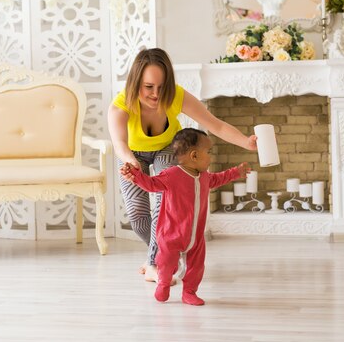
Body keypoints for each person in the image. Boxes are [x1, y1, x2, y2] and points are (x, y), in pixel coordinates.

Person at [107, 48, 257, 282]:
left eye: (161, 86)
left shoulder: (176, 96)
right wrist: (131, 161)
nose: (156, 94)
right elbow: (119, 144)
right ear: (136, 82)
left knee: (161, 208)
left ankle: (156, 265)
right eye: (148, 87)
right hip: (131, 154)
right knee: (137, 218)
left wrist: (246, 142)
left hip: (168, 149)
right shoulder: (120, 105)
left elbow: (215, 125)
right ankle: (164, 254)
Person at [120, 128, 250, 305]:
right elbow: (151, 184)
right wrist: (134, 175)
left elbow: (218, 178)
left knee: (196, 267)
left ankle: (189, 292)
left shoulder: (204, 177)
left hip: (196, 236)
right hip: (171, 235)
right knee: (166, 263)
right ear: (194, 156)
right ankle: (163, 283)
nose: (211, 157)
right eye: (208, 152)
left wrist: (236, 172)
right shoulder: (171, 175)